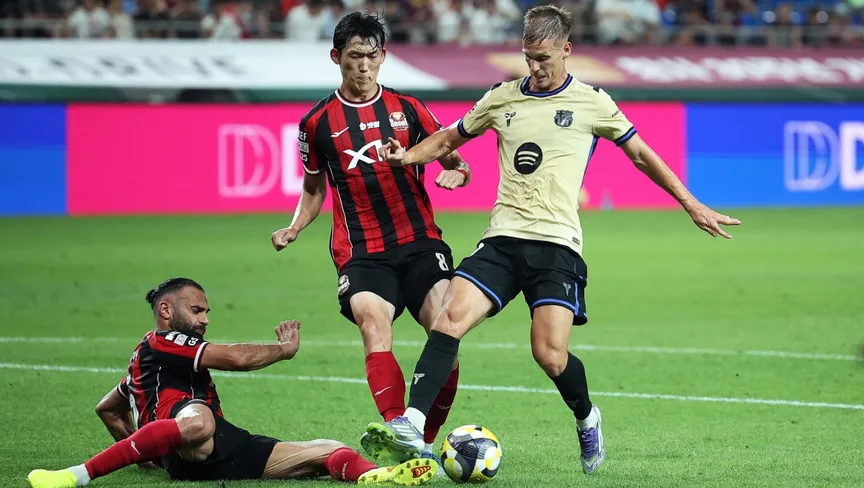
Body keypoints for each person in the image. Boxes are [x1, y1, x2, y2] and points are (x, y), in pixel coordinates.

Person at [360, 4, 741, 475]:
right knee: (448, 318)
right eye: (528, 57)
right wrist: (407, 158)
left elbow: (641, 155)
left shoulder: (592, 102)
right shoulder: (501, 98)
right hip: (502, 237)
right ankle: (413, 424)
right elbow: (448, 139)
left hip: (557, 243)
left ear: (566, 49)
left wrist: (691, 204)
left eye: (543, 58)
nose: (535, 67)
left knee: (549, 354)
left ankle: (586, 416)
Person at [270, 11, 471, 464]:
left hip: (420, 241)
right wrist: (295, 226)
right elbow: (314, 189)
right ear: (335, 57)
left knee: (446, 330)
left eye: (372, 56)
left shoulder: (409, 109)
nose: (364, 66)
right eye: (354, 56)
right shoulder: (316, 123)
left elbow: (454, 160)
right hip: (361, 251)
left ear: (383, 57)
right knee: (373, 326)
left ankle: (421, 437)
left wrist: (458, 174)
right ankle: (399, 431)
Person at [26, 278, 437, 488]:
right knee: (198, 421)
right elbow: (235, 358)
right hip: (195, 437)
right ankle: (75, 475)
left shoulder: (141, 371)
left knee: (327, 449)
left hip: (220, 447)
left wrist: (147, 454)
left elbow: (108, 408)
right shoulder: (158, 340)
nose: (205, 319)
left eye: (206, 312)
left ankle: (375, 476)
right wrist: (283, 350)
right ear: (166, 310)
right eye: (196, 310)